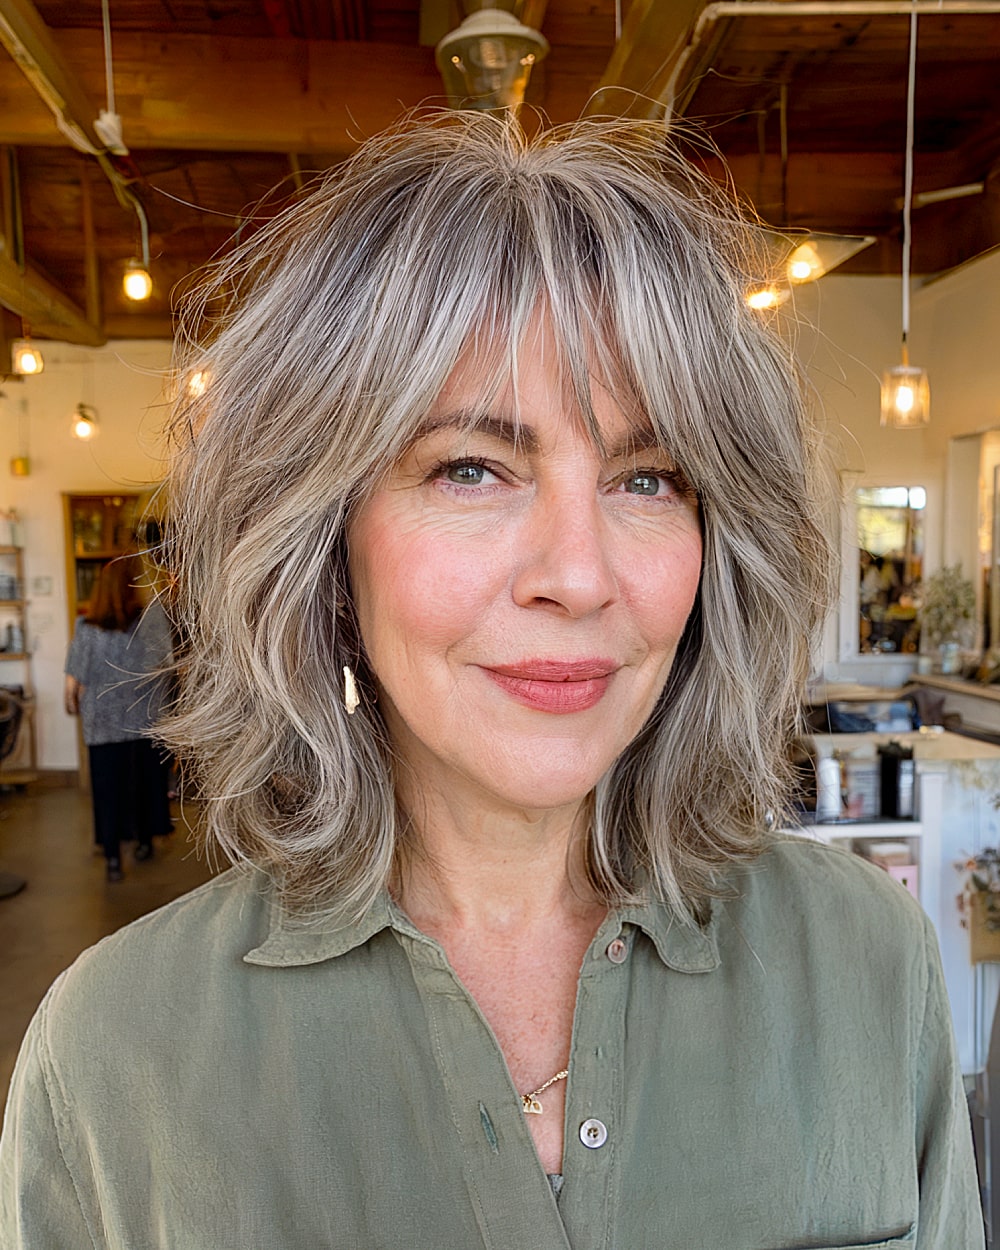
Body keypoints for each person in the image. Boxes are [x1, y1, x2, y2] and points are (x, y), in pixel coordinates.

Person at [0, 112, 983, 1247]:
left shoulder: (869, 964)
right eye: (471, 468)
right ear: (323, 546)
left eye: (649, 478)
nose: (579, 575)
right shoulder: (114, 1056)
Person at [63, 553, 173, 882]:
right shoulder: (151, 621)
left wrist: (73, 704)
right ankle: (144, 843)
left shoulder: (86, 629)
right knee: (145, 787)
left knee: (108, 792)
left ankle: (113, 858)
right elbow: (166, 668)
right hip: (146, 723)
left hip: (103, 728)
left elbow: (73, 685)